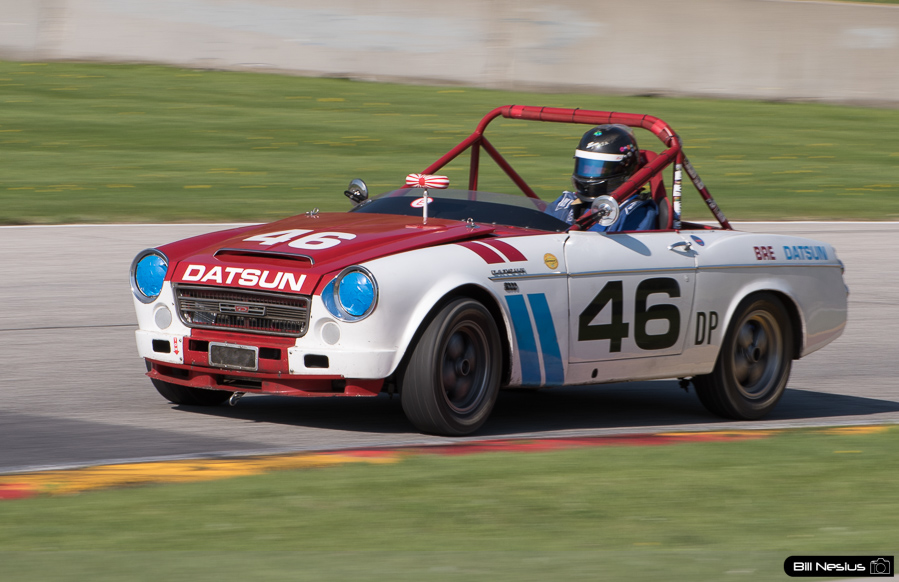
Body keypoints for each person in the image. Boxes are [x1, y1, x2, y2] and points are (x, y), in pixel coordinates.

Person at [545, 124, 658, 232]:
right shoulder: (565, 203)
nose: (589, 173)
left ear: (622, 167)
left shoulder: (635, 212)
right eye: (585, 166)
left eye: (597, 168)